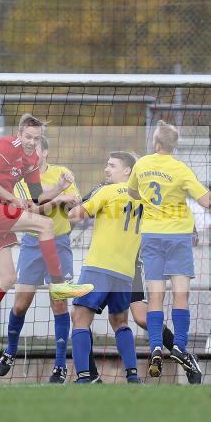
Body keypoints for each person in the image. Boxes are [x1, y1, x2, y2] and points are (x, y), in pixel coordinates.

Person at [0, 114, 93, 361]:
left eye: (36, 137)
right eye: (28, 136)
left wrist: (59, 188)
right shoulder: (5, 145)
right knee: (44, 224)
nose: (32, 142)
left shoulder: (32, 159)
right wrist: (11, 198)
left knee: (8, 276)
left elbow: (37, 198)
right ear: (19, 134)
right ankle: (59, 284)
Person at [128, 120, 211, 383]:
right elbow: (206, 200)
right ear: (174, 146)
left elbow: (133, 192)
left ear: (155, 143)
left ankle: (155, 346)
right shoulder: (180, 168)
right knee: (181, 295)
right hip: (178, 236)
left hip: (151, 235)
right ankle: (180, 346)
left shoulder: (141, 164)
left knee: (154, 297)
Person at [0, 136, 81, 383]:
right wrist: (58, 200)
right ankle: (10, 351)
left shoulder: (62, 172)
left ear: (45, 152)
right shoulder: (21, 179)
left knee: (59, 304)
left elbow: (73, 205)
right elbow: (31, 211)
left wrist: (70, 202)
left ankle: (60, 366)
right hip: (32, 245)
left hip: (60, 244)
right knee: (21, 304)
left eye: (34, 149)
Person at [68, 151, 143, 383]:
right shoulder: (144, 198)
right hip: (125, 272)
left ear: (127, 171)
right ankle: (132, 377)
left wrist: (72, 204)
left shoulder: (108, 191)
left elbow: (74, 216)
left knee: (80, 318)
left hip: (98, 267)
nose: (106, 169)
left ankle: (83, 377)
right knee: (120, 322)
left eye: (112, 165)